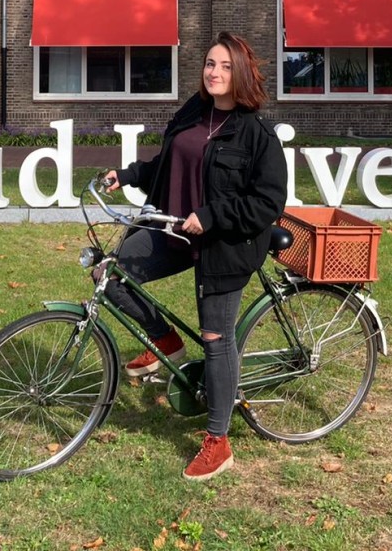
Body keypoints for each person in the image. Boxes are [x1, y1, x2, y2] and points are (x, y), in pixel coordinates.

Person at [100, 31, 286, 482]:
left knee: (216, 338)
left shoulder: (256, 133)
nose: (214, 72)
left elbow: (268, 202)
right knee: (112, 274)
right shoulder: (193, 111)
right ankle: (165, 342)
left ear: (240, 73)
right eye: (209, 64)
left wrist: (212, 214)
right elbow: (170, 164)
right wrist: (126, 175)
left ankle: (218, 441)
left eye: (224, 66)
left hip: (225, 242)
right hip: (175, 228)